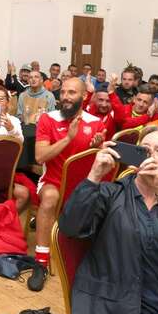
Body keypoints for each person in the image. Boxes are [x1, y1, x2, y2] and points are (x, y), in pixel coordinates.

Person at [59, 126, 158, 314]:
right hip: (110, 303)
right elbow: (70, 227)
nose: (150, 156)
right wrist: (94, 176)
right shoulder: (110, 193)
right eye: (145, 149)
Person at [33, 78, 105, 280]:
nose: (65, 97)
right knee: (49, 200)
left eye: (71, 93)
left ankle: (95, 261)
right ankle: (41, 262)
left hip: (83, 185)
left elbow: (99, 160)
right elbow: (40, 156)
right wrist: (68, 139)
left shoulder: (95, 123)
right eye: (63, 92)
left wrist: (96, 147)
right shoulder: (48, 119)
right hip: (53, 181)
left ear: (83, 96)